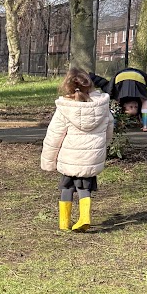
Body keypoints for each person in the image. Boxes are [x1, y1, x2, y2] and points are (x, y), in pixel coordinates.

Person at [40, 67, 114, 232]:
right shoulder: (102, 106)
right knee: (84, 188)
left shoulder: (64, 109)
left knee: (66, 187)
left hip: (69, 158)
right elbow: (109, 129)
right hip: (92, 157)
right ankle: (84, 218)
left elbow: (53, 137)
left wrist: (48, 162)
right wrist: (104, 146)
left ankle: (64, 222)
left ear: (67, 86)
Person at [109, 65, 147, 130]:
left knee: (117, 99)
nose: (134, 105)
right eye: (135, 107)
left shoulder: (121, 101)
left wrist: (111, 94)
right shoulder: (138, 101)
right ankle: (146, 125)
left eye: (132, 107)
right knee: (145, 100)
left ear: (124, 106)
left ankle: (114, 124)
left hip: (124, 78)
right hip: (134, 77)